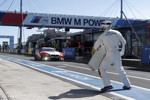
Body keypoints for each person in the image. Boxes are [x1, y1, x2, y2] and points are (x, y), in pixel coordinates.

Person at [93, 21, 131, 92]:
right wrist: (122, 51)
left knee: (102, 68)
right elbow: (124, 42)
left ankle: (108, 85)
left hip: (109, 53)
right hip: (117, 52)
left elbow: (96, 46)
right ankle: (127, 85)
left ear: (104, 26)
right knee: (120, 69)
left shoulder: (102, 35)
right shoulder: (117, 32)